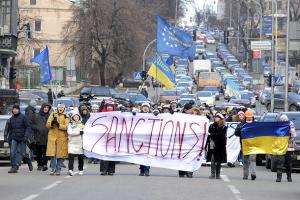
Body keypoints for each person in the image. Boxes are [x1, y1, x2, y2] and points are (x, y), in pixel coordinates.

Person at [7, 104, 33, 173]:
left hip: (22, 138)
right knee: (12, 152)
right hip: (14, 138)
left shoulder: (23, 117)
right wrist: (9, 139)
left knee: (23, 154)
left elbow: (28, 127)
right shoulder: (11, 119)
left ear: (18, 110)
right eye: (14, 109)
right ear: (12, 110)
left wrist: (25, 136)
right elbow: (10, 130)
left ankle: (29, 162)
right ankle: (14, 167)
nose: (15, 110)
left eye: (16, 109)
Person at [46, 103, 70, 175]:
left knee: (60, 154)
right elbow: (47, 124)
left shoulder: (66, 116)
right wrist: (52, 124)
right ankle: (53, 168)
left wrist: (58, 125)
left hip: (62, 137)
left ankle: (58, 169)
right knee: (52, 153)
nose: (60, 108)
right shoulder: (53, 114)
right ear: (57, 108)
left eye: (62, 107)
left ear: (64, 108)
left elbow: (67, 127)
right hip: (52, 136)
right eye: (59, 107)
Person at [234, 109, 256, 180]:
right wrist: (240, 129)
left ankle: (253, 173)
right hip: (244, 145)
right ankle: (245, 175)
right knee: (245, 160)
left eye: (250, 116)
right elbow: (236, 133)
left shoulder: (256, 124)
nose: (249, 117)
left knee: (252, 159)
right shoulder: (241, 125)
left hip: (253, 145)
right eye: (248, 116)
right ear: (245, 117)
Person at [274, 115, 297, 182]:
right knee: (280, 162)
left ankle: (289, 177)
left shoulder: (290, 124)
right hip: (281, 147)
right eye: (282, 120)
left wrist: (289, 130)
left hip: (288, 148)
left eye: (284, 120)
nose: (283, 121)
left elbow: (293, 135)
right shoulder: (278, 125)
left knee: (288, 163)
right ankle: (279, 177)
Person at [207, 113, 227, 179]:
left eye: (217, 117)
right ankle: (212, 174)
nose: (215, 118)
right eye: (215, 117)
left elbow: (220, 135)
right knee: (212, 159)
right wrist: (206, 144)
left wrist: (212, 134)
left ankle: (218, 174)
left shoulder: (224, 127)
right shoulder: (211, 126)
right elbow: (208, 135)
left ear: (221, 119)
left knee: (218, 160)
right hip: (212, 144)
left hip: (220, 145)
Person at [100, 99, 116, 176]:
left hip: (113, 137)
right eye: (108, 106)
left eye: (111, 106)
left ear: (113, 107)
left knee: (112, 154)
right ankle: (103, 170)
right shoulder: (102, 114)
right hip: (104, 137)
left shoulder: (117, 115)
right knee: (104, 154)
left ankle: (111, 170)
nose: (109, 108)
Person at [34, 103, 51, 171]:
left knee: (46, 152)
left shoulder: (50, 116)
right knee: (38, 152)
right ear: (42, 108)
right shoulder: (37, 116)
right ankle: (39, 164)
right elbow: (32, 125)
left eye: (47, 107)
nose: (46, 108)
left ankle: (45, 164)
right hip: (38, 136)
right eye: (45, 107)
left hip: (47, 136)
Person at [178, 103, 194, 178]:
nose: (192, 111)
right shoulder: (180, 117)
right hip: (182, 139)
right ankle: (181, 171)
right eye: (190, 109)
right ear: (185, 110)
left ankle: (189, 171)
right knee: (182, 155)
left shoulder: (194, 117)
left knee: (190, 156)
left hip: (192, 139)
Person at [67, 111, 85, 176]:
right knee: (71, 157)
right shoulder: (70, 124)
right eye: (75, 117)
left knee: (80, 158)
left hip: (80, 143)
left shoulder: (82, 125)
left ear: (79, 117)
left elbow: (84, 133)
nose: (76, 118)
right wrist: (78, 133)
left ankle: (81, 170)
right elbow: (70, 132)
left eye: (77, 117)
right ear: (73, 117)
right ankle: (70, 170)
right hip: (72, 143)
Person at [139, 102, 151, 176]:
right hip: (140, 138)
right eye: (144, 107)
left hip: (149, 138)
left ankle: (147, 170)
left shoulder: (153, 115)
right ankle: (141, 170)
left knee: (148, 155)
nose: (145, 108)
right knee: (141, 155)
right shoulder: (138, 115)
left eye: (147, 107)